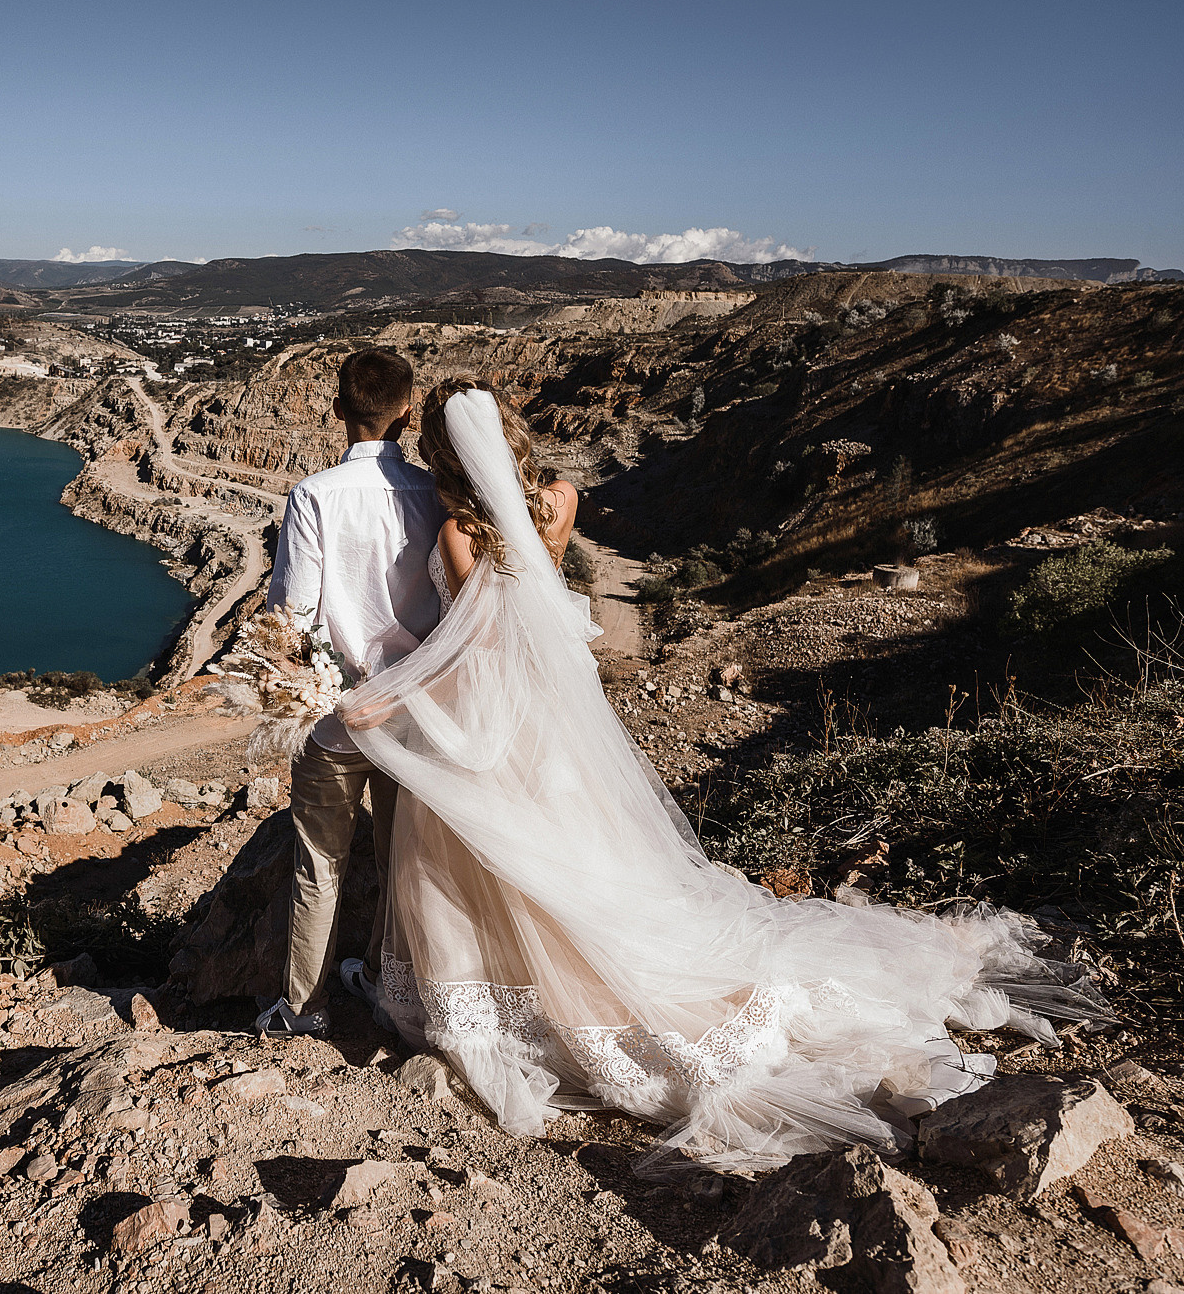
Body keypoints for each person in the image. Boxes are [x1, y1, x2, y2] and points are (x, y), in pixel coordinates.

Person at [340, 379, 1108, 1169]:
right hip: (554, 721)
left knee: (491, 873)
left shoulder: (460, 532)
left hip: (493, 724)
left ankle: (524, 1003)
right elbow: (537, 605)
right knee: (582, 868)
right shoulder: (557, 502)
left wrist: (384, 695)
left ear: (444, 458)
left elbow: (478, 645)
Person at [254, 347, 447, 1038]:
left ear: (337, 410)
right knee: (404, 862)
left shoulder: (313, 495)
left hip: (336, 719)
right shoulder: (435, 495)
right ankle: (388, 984)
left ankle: (303, 1008)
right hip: (415, 714)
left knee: (320, 866)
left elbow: (293, 617)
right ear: (406, 412)